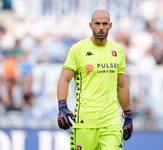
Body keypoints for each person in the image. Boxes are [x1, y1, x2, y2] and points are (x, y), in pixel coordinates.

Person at [57, 9, 133, 150]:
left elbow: (121, 85)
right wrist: (62, 106)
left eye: (105, 24)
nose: (101, 27)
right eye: (97, 23)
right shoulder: (78, 49)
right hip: (85, 122)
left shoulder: (118, 51)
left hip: (111, 122)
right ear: (90, 25)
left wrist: (128, 115)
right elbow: (64, 80)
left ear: (110, 26)